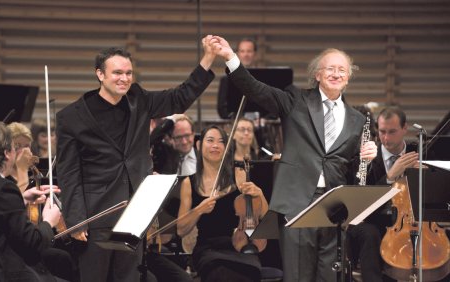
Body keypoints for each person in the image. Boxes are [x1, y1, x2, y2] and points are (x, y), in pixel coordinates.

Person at [212, 36, 378, 282]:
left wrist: (369, 156)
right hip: (297, 204)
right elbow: (255, 88)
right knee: (299, 276)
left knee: (329, 277)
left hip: (334, 207)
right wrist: (230, 58)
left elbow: (355, 171)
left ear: (348, 77)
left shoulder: (357, 119)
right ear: (317, 75)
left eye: (342, 70)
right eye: (330, 68)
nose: (336, 73)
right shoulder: (295, 101)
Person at [56, 36, 217, 282]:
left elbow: (179, 97)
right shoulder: (71, 117)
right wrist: (76, 221)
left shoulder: (138, 99)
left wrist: (207, 58)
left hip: (135, 211)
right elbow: (69, 173)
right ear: (100, 74)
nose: (124, 78)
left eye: (129, 73)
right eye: (117, 72)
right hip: (96, 216)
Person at [0, 121, 62, 281]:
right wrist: (49, 221)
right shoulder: (3, 188)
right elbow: (33, 243)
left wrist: (22, 199)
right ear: (7, 153)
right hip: (4, 272)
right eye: (15, 147)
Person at [177, 125, 268, 282]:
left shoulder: (239, 175)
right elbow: (180, 230)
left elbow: (264, 216)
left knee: (249, 272)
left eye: (221, 142)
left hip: (240, 246)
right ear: (199, 145)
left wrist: (260, 195)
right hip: (208, 250)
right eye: (210, 140)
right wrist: (199, 210)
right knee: (221, 274)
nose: (215, 146)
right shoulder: (189, 183)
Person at [347, 106, 418, 282]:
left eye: (392, 132)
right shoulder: (366, 157)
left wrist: (425, 175)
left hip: (410, 219)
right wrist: (390, 177)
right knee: (369, 233)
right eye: (382, 132)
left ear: (404, 129)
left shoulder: (419, 152)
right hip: (373, 219)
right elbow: (362, 204)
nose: (386, 138)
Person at [217, 38, 257, 119]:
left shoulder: (265, 78)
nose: (246, 54)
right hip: (235, 125)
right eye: (242, 51)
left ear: (255, 54)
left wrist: (264, 119)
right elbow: (221, 108)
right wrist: (236, 119)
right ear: (238, 54)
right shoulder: (226, 80)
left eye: (249, 51)